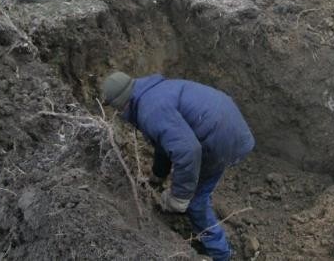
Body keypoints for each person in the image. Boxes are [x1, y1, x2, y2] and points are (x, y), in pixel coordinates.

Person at [102, 71, 254, 261]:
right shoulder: (151, 92)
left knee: (195, 201)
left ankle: (221, 254)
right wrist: (157, 176)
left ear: (122, 104)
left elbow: (188, 151)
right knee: (191, 184)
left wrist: (179, 198)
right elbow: (164, 143)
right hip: (227, 124)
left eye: (117, 109)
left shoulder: (150, 110)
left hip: (219, 137)